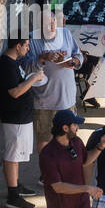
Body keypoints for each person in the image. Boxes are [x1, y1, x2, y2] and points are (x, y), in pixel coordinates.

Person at [0, 36, 46, 208]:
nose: (28, 49)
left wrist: (31, 77)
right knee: (12, 155)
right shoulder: (6, 65)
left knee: (16, 154)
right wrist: (34, 78)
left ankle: (16, 185)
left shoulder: (14, 62)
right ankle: (13, 194)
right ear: (18, 46)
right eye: (26, 46)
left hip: (21, 116)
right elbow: (15, 92)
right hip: (14, 117)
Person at [26, 8, 84, 152]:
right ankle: (46, 172)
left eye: (52, 23)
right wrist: (42, 58)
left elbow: (79, 56)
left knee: (69, 139)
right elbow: (25, 68)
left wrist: (71, 62)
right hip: (43, 102)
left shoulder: (65, 34)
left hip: (66, 100)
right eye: (45, 25)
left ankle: (67, 170)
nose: (50, 27)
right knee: (44, 141)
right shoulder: (32, 39)